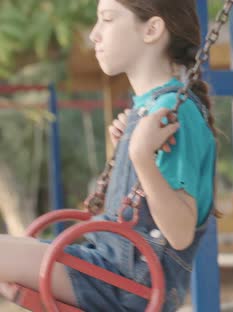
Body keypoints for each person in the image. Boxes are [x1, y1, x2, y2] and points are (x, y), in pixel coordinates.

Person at [0, 0, 218, 311]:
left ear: (152, 29)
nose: (93, 34)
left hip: (128, 282)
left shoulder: (173, 113)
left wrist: (141, 155)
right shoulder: (148, 110)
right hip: (110, 268)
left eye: (107, 19)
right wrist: (129, 151)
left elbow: (181, 233)